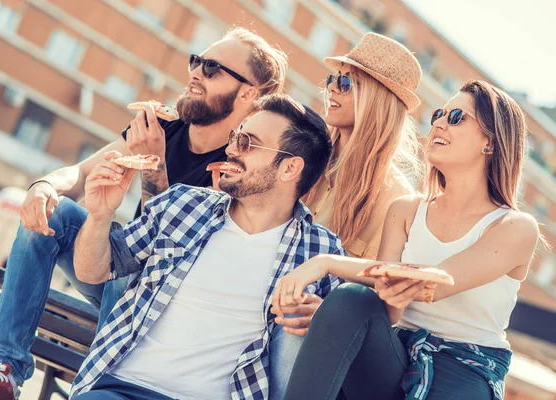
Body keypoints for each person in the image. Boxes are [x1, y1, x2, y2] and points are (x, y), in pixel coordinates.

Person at [0, 27, 288, 400]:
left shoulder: (241, 162)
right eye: (196, 61)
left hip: (169, 303)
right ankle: (5, 369)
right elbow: (79, 174)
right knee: (58, 214)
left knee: (129, 261)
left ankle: (104, 385)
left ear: (248, 93)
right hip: (111, 276)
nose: (195, 72)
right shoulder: (162, 126)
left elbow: (174, 249)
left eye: (212, 68)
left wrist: (153, 165)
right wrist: (44, 187)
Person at [276, 80, 541, 400]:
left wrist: (325, 262)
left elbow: (435, 283)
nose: (440, 122)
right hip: (396, 353)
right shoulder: (404, 210)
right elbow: (387, 307)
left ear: (490, 141)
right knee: (351, 299)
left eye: (456, 117)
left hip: (464, 369)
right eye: (439, 114)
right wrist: (335, 318)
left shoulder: (514, 227)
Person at [69, 94, 344, 399]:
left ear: (290, 168)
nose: (230, 149)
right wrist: (99, 215)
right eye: (234, 137)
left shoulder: (319, 250)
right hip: (121, 389)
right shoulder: (184, 203)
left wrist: (327, 319)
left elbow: (347, 344)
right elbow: (92, 271)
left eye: (247, 143)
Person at [268, 32, 423, 398]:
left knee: (290, 332)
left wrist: (327, 315)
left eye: (345, 83)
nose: (331, 90)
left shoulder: (396, 197)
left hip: (315, 342)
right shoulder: (309, 157)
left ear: (376, 101)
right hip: (266, 299)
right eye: (331, 81)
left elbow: (384, 306)